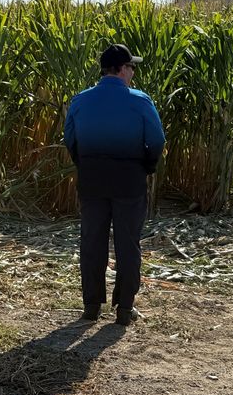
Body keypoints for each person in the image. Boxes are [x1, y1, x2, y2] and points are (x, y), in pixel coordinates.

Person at [63, 44, 165, 326]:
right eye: (131, 67)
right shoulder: (140, 101)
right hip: (129, 180)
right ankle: (124, 308)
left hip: (92, 179)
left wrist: (85, 162)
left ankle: (91, 306)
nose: (133, 72)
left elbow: (69, 138)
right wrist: (148, 165)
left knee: (92, 241)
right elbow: (156, 140)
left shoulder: (81, 101)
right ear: (121, 69)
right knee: (127, 243)